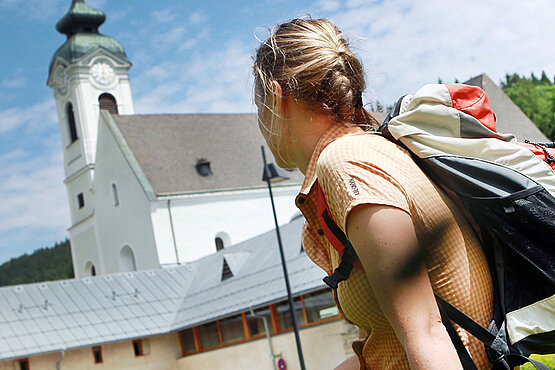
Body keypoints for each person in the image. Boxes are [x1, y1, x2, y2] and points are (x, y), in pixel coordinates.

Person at [253, 18, 494, 369]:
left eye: (257, 105)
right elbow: (390, 343)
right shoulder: (376, 151)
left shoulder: (346, 163)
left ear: (277, 97)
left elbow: (428, 333)